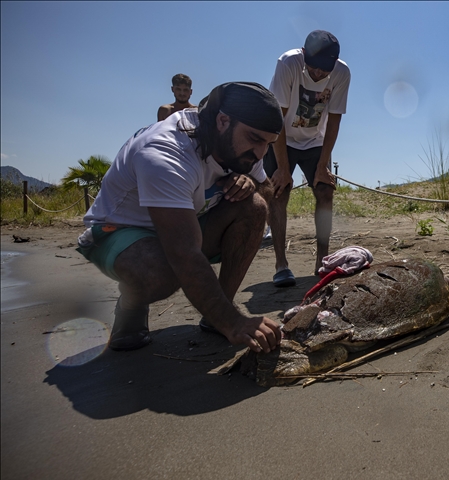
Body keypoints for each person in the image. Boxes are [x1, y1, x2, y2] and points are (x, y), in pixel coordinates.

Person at [76, 82, 284, 353]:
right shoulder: (166, 152)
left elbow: (266, 190)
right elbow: (184, 253)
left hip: (185, 224)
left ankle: (217, 312)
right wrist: (234, 323)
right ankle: (131, 303)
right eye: (256, 139)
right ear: (223, 121)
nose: (260, 154)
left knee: (254, 207)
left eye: (268, 144)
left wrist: (249, 183)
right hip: (116, 232)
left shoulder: (243, 142)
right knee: (162, 271)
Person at [265, 30, 350, 287]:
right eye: (314, 68)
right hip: (281, 137)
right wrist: (282, 168)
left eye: (325, 70)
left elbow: (334, 121)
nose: (319, 74)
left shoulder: (342, 73)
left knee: (325, 191)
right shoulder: (288, 63)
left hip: (315, 140)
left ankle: (322, 261)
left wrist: (323, 166)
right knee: (278, 193)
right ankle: (281, 264)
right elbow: (276, 118)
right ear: (304, 55)